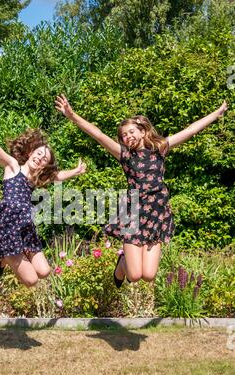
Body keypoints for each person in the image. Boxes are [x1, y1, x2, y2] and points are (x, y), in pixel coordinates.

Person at [55, 94, 228, 287]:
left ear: (143, 131)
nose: (127, 137)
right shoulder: (126, 155)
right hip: (133, 213)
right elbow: (98, 135)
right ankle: (122, 263)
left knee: (149, 275)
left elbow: (190, 130)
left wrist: (216, 114)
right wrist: (72, 115)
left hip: (157, 214)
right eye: (123, 136)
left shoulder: (160, 149)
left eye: (130, 132)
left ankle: (124, 261)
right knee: (135, 276)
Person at [0, 102, 86, 287]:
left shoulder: (35, 180)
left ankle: (0, 256)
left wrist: (75, 171)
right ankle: (1, 252)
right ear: (30, 153)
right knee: (31, 280)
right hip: (9, 228)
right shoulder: (12, 167)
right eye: (38, 154)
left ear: (44, 166)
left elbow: (57, 176)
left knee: (44, 272)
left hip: (26, 228)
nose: (40, 158)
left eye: (44, 159)